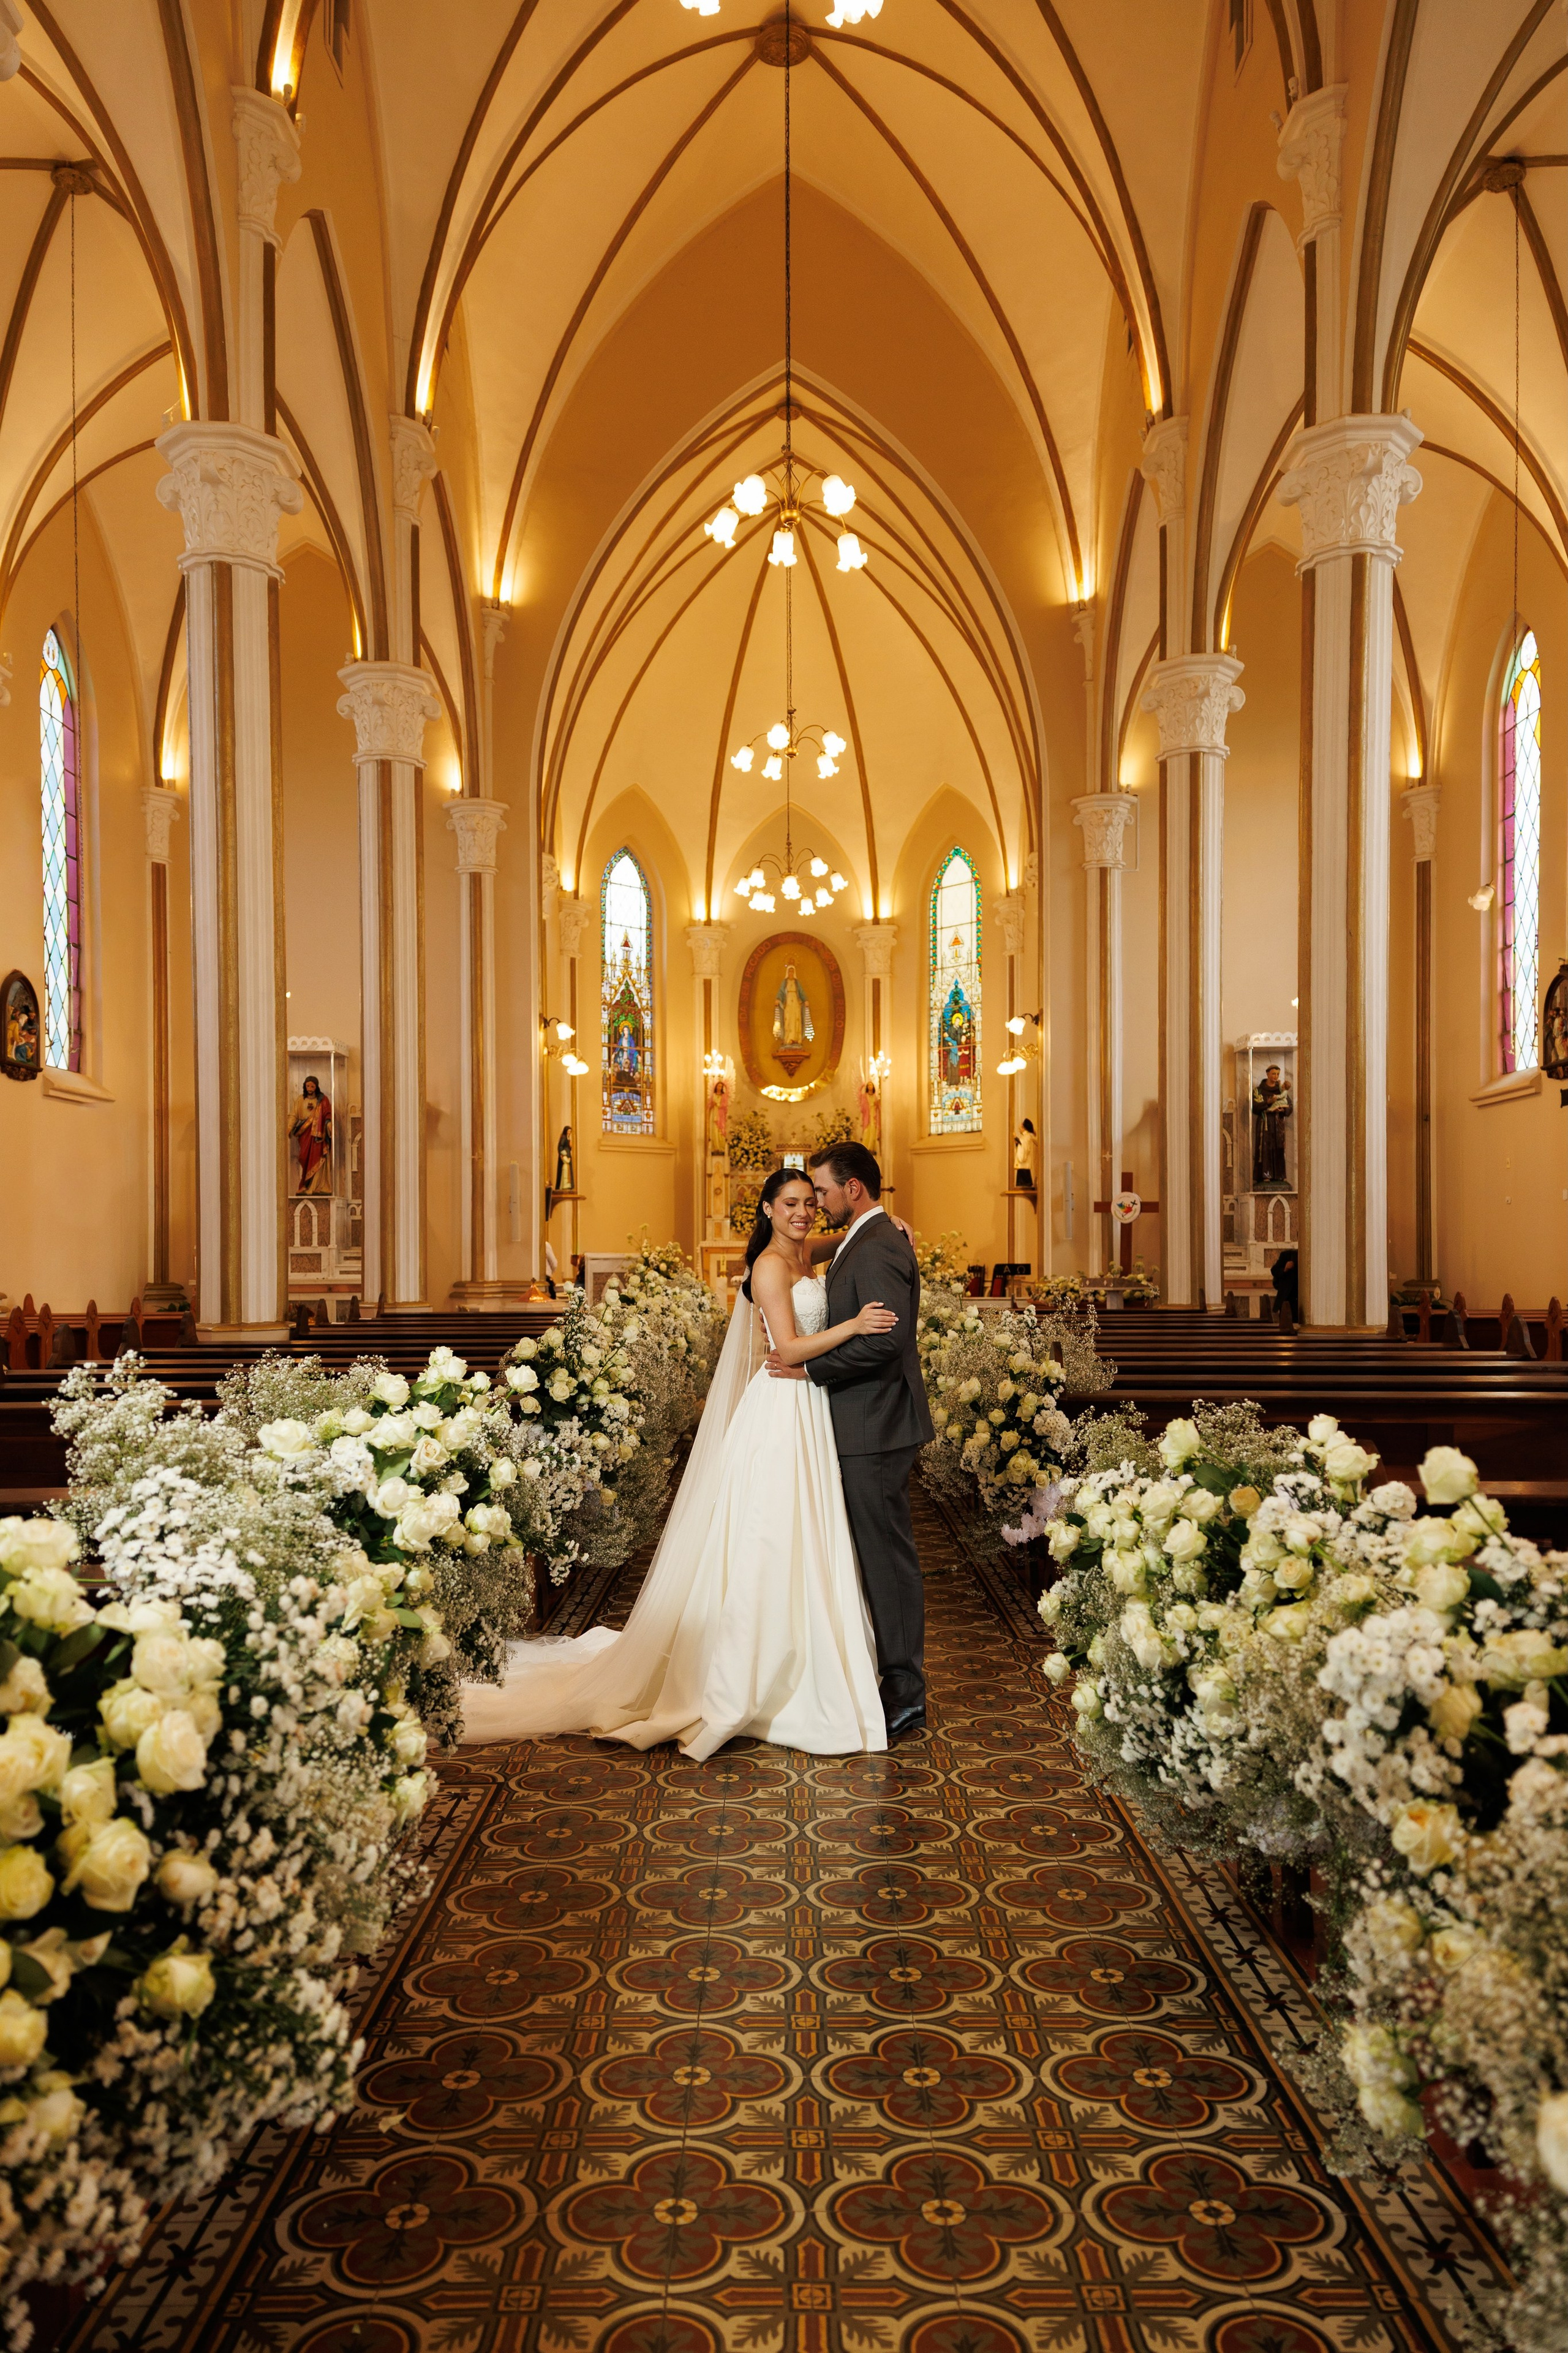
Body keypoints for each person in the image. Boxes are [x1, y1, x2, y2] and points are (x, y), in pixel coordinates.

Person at [459, 1167, 903, 1756]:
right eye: (790, 1203)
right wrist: (853, 1324)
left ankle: (806, 1649)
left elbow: (834, 1240)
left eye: (808, 1202)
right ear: (767, 1208)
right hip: (784, 1404)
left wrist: (885, 1223)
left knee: (810, 1531)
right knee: (771, 1530)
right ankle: (757, 1670)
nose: (803, 1212)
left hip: (811, 1406)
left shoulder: (803, 1251)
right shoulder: (771, 1265)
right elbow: (788, 1348)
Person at [768, 1143, 935, 1742]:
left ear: (854, 1190)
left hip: (877, 1425)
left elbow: (885, 1342)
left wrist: (808, 1371)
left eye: (822, 1191)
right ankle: (884, 1673)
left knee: (887, 1558)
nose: (816, 1201)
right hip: (865, 1422)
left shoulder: (878, 1245)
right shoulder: (868, 1238)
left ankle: (905, 1691)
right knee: (871, 1553)